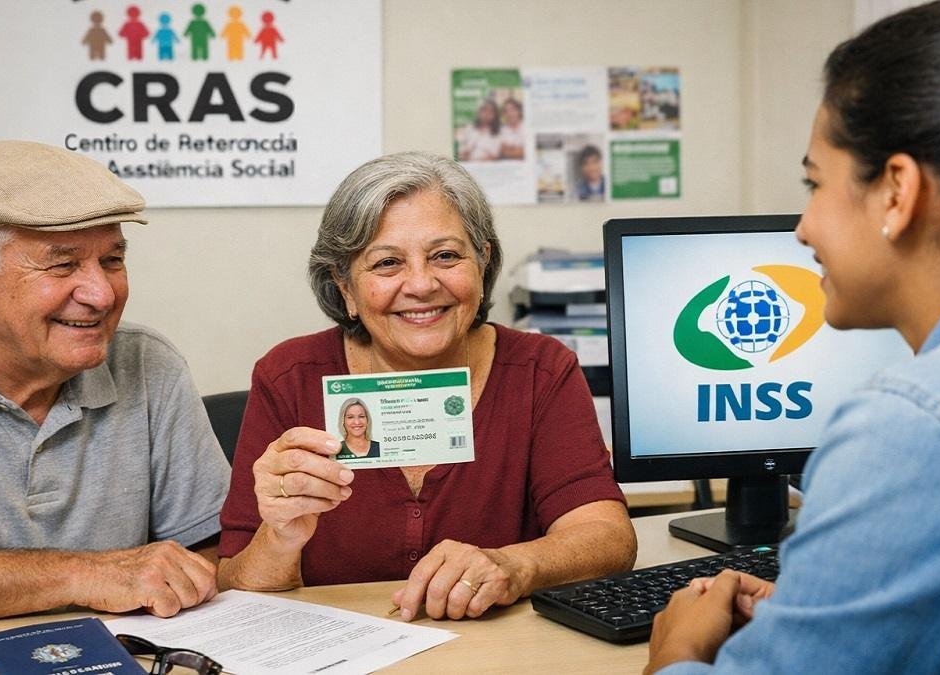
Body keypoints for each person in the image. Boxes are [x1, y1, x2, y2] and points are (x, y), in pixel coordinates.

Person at [645, 0, 940, 672]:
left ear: (897, 191)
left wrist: (678, 649)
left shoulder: (917, 429)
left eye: (814, 183)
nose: (802, 228)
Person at [218, 151, 636, 621]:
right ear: (345, 287)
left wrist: (514, 564)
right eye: (387, 263)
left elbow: (608, 538)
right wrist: (280, 537)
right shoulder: (288, 376)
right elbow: (235, 580)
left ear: (483, 263)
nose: (420, 284)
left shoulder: (541, 370)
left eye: (445, 256)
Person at [0, 141, 231, 631]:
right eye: (62, 265)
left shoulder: (148, 363)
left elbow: (210, 551)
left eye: (113, 260)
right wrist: (80, 575)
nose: (101, 294)